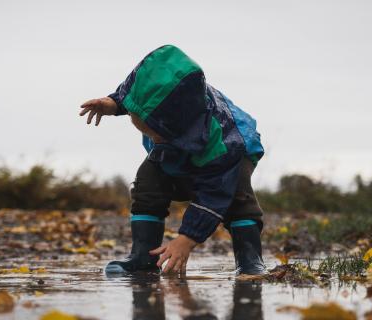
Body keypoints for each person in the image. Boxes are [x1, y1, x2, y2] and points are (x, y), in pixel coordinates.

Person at [79, 45, 266, 275]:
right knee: (148, 182)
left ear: (175, 123)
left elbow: (214, 194)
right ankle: (143, 257)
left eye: (155, 133)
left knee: (237, 198)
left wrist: (186, 239)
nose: (152, 140)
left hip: (235, 151)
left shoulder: (222, 145)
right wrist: (114, 104)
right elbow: (136, 94)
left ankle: (249, 260)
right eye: (143, 128)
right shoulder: (153, 100)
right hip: (179, 145)